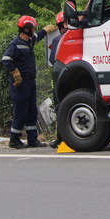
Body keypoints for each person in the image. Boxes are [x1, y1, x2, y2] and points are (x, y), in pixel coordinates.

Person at [1, 15, 56, 149]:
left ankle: (32, 139)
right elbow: (6, 59)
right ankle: (14, 139)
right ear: (26, 29)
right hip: (20, 84)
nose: (34, 31)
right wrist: (15, 73)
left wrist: (45, 30)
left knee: (32, 110)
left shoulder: (28, 41)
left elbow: (37, 36)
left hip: (30, 82)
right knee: (20, 111)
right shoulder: (15, 44)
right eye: (33, 28)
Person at [47, 11, 66, 149]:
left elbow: (52, 60)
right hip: (78, 80)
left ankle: (61, 138)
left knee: (60, 107)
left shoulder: (57, 40)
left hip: (61, 80)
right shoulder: (80, 37)